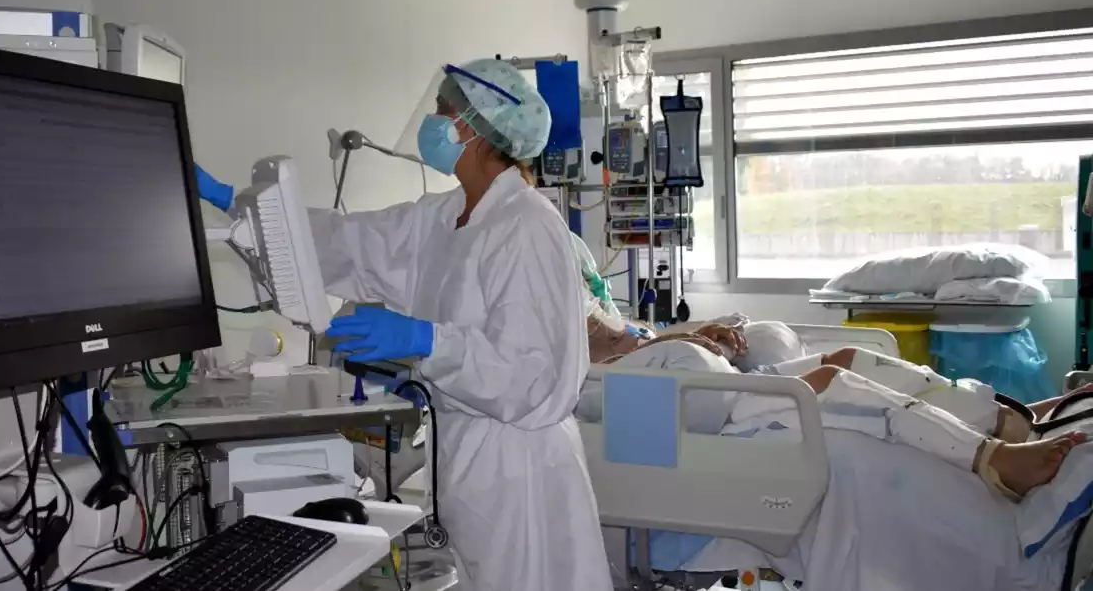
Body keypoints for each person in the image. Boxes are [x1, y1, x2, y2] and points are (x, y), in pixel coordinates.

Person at [314, 60, 611, 591]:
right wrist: (249, 212)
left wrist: (425, 339)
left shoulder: (525, 226)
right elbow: (354, 243)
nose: (433, 122)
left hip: (521, 470)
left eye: (442, 111)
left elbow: (528, 376)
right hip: (470, 460)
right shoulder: (448, 215)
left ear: (472, 129)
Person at [583, 305, 1086, 501]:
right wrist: (672, 346)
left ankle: (1011, 419)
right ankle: (987, 458)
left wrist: (694, 333)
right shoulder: (534, 279)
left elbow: (632, 332)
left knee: (849, 355)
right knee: (827, 379)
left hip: (671, 367)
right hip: (652, 397)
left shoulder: (572, 261)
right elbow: (587, 360)